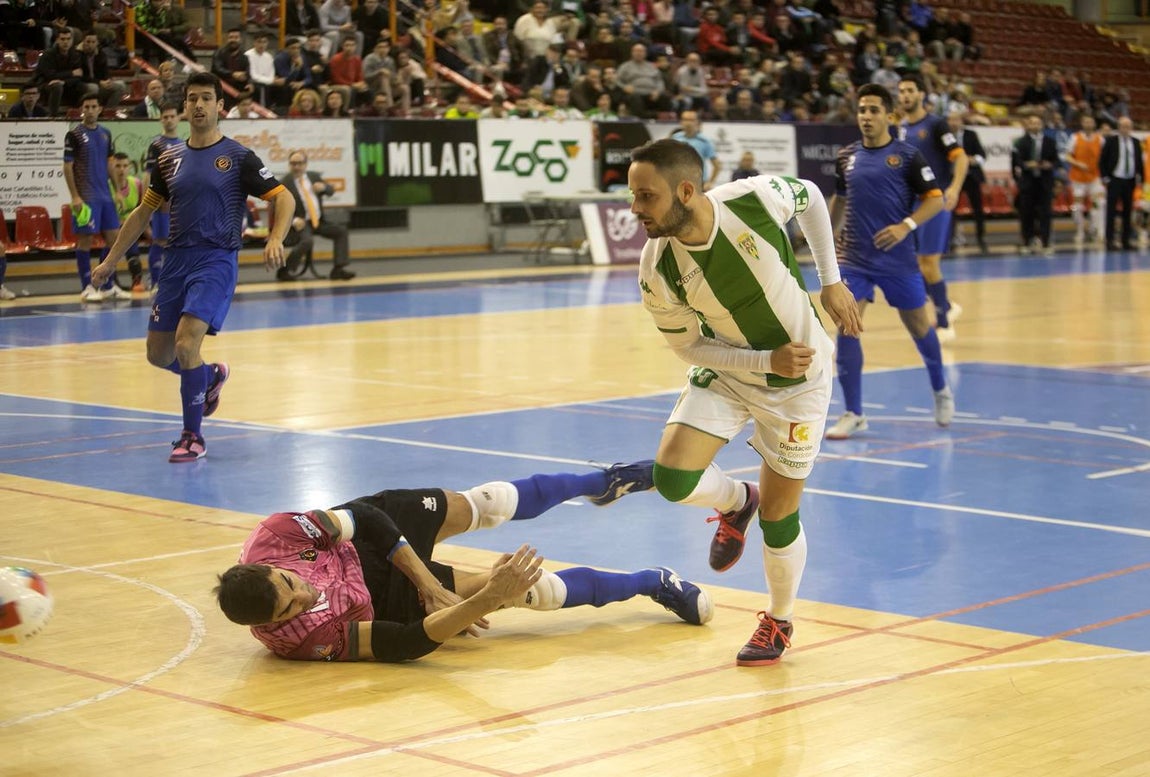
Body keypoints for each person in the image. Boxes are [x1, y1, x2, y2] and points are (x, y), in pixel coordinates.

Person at [627, 139, 862, 667]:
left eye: (646, 196)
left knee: (781, 517)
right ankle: (736, 501)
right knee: (672, 480)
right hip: (735, 368)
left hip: (801, 382)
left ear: (685, 191)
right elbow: (687, 345)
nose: (635, 209)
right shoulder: (657, 265)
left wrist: (832, 282)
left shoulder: (751, 200)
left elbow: (812, 198)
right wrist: (762, 362)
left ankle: (779, 621)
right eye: (633, 196)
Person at [213, 462, 716, 662]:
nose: (303, 596)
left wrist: (429, 581)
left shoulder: (277, 534)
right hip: (380, 600)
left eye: (290, 583)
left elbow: (365, 516)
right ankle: (653, 582)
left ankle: (601, 483)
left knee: (485, 505)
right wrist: (483, 601)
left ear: (269, 566)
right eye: (290, 608)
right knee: (531, 593)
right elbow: (404, 641)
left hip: (368, 536)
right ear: (270, 626)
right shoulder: (299, 641)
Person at [90, 72, 296, 463]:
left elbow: (283, 198)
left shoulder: (238, 157)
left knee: (187, 344)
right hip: (176, 261)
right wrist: (110, 260)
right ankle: (210, 376)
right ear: (184, 107)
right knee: (157, 353)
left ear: (221, 106)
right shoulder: (168, 158)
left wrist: (274, 237)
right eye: (192, 99)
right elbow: (142, 213)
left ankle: (192, 436)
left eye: (206, 98)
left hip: (216, 259)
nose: (198, 105)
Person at [826, 84, 952, 441]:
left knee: (918, 327)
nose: (866, 116)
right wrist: (824, 238)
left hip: (898, 262)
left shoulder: (908, 157)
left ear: (889, 115)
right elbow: (840, 199)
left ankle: (940, 388)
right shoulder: (846, 156)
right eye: (862, 110)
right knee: (848, 326)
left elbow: (935, 200)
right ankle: (854, 412)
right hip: (854, 259)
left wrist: (905, 226)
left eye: (873, 110)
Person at [897, 74, 968, 342]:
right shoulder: (902, 128)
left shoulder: (936, 125)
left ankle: (944, 323)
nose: (904, 95)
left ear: (921, 95)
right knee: (915, 265)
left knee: (928, 262)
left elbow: (961, 159)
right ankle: (947, 307)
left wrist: (954, 188)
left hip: (935, 199)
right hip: (913, 202)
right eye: (901, 91)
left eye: (910, 90)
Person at [64, 95, 128, 302]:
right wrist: (75, 196)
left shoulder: (105, 134)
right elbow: (67, 167)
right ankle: (87, 287)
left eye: (93, 106)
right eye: (86, 107)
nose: (90, 110)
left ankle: (108, 285)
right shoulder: (74, 134)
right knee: (85, 241)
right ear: (82, 109)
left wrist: (117, 191)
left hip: (105, 196)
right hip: (86, 197)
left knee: (114, 239)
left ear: (100, 109)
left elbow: (110, 164)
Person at [279, 149, 353, 281]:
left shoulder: (313, 177)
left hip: (319, 221)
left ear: (305, 164)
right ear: (289, 165)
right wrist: (294, 220)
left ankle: (338, 269)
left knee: (341, 232)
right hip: (302, 222)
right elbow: (279, 208)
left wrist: (324, 188)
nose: (296, 167)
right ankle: (285, 270)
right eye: (293, 164)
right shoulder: (285, 183)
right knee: (307, 241)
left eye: (299, 163)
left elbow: (330, 190)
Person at [142, 102, 183, 291]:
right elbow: (148, 176)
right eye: (165, 117)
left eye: (172, 116)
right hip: (161, 203)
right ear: (161, 120)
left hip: (179, 204)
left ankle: (173, 281)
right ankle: (155, 283)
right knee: (160, 240)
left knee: (177, 242)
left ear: (178, 118)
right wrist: (150, 203)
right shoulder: (156, 145)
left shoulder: (184, 145)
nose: (169, 120)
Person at [1011, 114, 1059, 256]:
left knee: (1045, 213)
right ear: (1027, 125)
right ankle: (1027, 241)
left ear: (1042, 125)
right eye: (1032, 123)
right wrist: (1027, 165)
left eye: (1037, 123)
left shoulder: (1050, 141)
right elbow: (1016, 161)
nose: (1035, 125)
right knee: (1026, 213)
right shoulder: (1020, 142)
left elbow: (1056, 160)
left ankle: (1045, 241)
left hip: (1045, 182)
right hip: (1028, 182)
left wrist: (1049, 164)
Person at [1100, 116, 1144, 252]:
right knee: (1111, 211)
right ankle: (1110, 241)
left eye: (1128, 126)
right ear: (1118, 128)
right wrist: (1106, 178)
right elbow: (1102, 161)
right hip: (1115, 179)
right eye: (1123, 126)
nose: (1125, 129)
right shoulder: (1111, 141)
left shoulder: (1136, 142)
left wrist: (1140, 178)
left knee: (1127, 211)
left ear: (1131, 128)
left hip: (1129, 180)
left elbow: (1139, 162)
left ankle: (1126, 241)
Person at [948, 113, 988, 255]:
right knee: (949, 210)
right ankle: (949, 241)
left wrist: (973, 160)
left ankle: (981, 239)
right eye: (951, 120)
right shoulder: (945, 136)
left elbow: (982, 155)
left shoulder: (971, 135)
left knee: (978, 208)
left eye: (956, 119)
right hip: (952, 177)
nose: (953, 122)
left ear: (961, 121)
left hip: (971, 177)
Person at [107, 151, 147, 293]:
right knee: (123, 236)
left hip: (132, 226)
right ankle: (111, 282)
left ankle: (137, 280)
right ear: (112, 168)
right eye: (118, 166)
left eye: (125, 166)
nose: (122, 169)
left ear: (129, 167)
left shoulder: (136, 184)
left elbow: (142, 209)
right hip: (111, 228)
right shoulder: (107, 187)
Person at [1064, 114, 1105, 247]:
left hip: (1094, 177)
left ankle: (1095, 230)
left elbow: (1105, 157)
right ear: (1082, 123)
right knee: (1077, 207)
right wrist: (1078, 163)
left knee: (1098, 204)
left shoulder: (1100, 139)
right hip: (1078, 178)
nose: (1088, 124)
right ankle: (1079, 230)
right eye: (1086, 122)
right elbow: (1067, 156)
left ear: (1094, 124)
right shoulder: (1075, 138)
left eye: (1090, 122)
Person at [669, 110, 721, 191]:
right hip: (677, 182)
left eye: (691, 120)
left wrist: (710, 182)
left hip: (698, 184)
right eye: (685, 120)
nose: (688, 123)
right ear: (681, 122)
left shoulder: (705, 141)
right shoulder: (674, 139)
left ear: (697, 122)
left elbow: (717, 165)